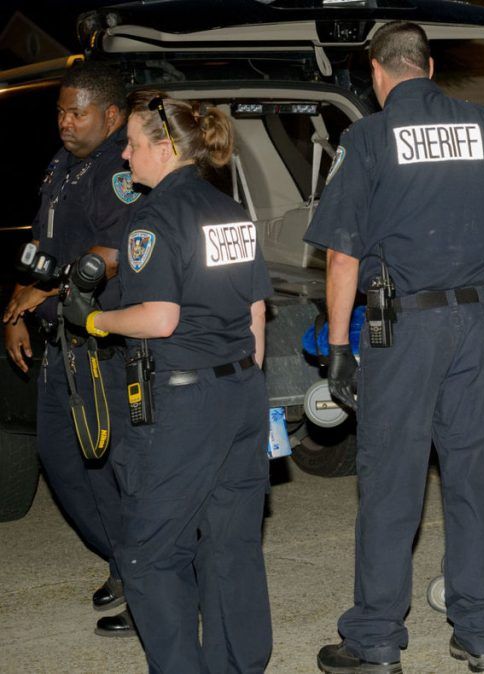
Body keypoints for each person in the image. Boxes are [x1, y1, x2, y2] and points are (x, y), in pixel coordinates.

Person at [304, 22, 484, 674]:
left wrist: (337, 347)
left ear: (378, 75)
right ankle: (481, 634)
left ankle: (376, 642)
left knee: (391, 484)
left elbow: (341, 256)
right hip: (477, 324)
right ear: (431, 66)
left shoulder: (369, 138)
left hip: (401, 328)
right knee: (476, 481)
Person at [62, 89, 274, 670]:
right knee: (232, 548)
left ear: (166, 145)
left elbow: (160, 318)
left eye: (131, 145)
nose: (125, 158)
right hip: (242, 395)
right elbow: (256, 317)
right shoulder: (232, 211)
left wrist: (95, 319)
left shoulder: (153, 219)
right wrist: (239, 391)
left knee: (152, 556)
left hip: (185, 404)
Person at [2, 61, 137, 637]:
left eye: (75, 112)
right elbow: (40, 242)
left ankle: (150, 572)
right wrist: (16, 306)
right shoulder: (64, 166)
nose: (63, 121)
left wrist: (48, 288)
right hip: (62, 341)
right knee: (64, 461)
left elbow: (116, 253)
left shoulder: (116, 171)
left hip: (101, 344)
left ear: (111, 116)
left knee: (109, 465)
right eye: (60, 111)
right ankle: (129, 561)